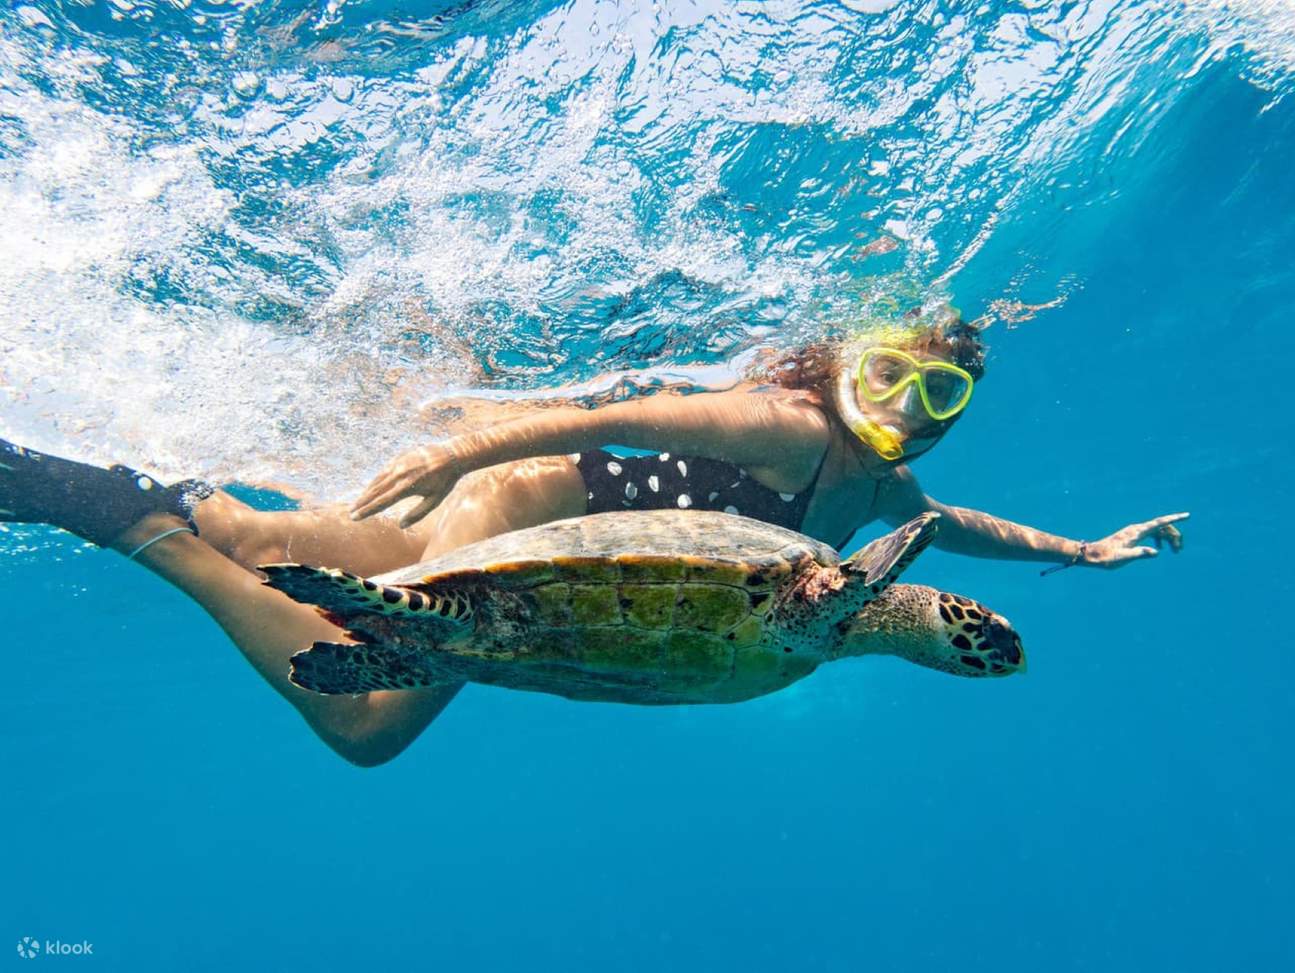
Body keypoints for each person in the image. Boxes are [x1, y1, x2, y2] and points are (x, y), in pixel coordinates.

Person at [0, 309, 1187, 766]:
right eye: (886, 376)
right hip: (527, 509)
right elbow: (604, 414)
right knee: (364, 717)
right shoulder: (780, 424)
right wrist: (461, 447)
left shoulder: (870, 496)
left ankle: (148, 487)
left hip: (550, 533)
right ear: (842, 367)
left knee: (299, 540)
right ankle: (127, 518)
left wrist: (1082, 551)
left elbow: (948, 524)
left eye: (936, 401)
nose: (899, 412)